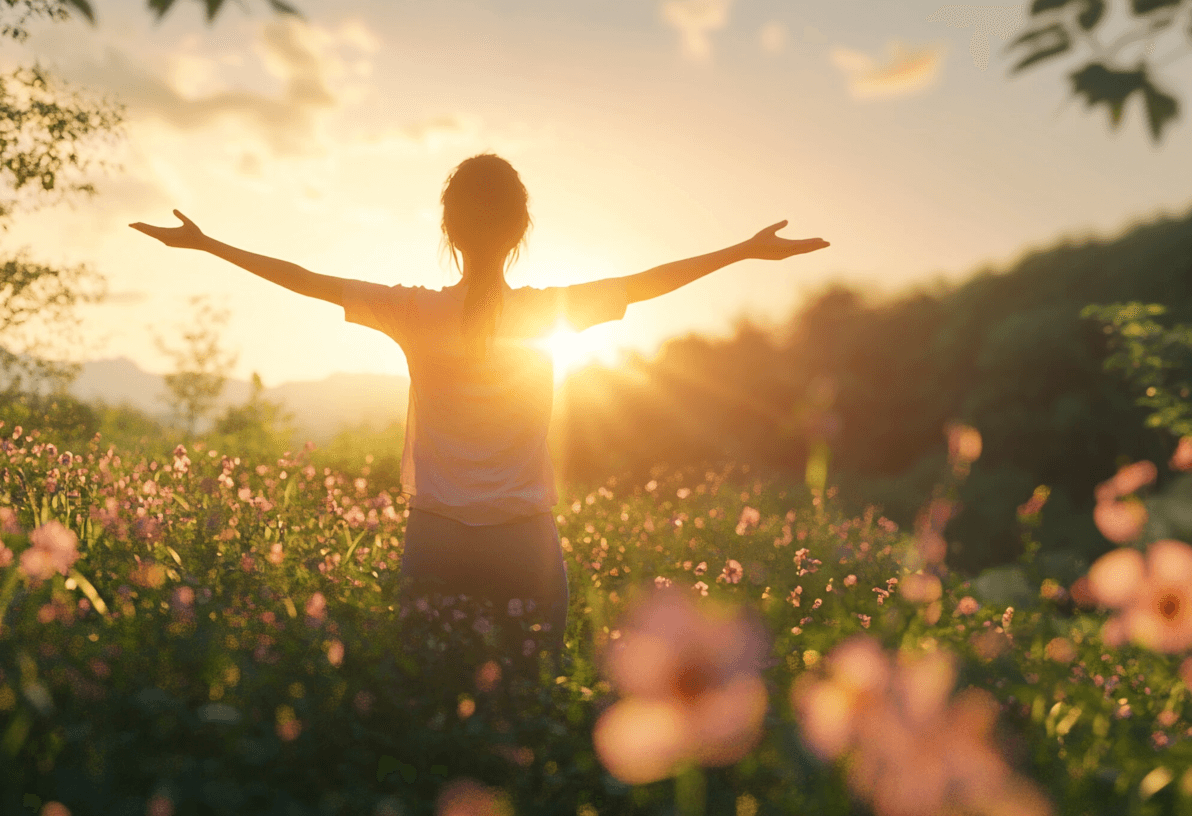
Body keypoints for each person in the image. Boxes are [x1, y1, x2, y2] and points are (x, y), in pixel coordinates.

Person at [130, 153, 828, 672]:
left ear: (448, 228)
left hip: (435, 537)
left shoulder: (414, 310)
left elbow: (306, 281)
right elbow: (645, 285)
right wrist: (743, 250)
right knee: (530, 709)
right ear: (522, 227)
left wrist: (208, 244)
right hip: (526, 542)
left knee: (425, 703)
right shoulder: (546, 311)